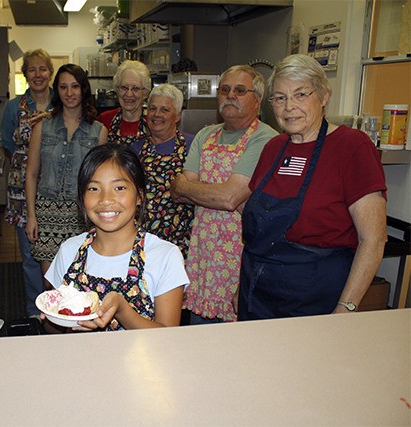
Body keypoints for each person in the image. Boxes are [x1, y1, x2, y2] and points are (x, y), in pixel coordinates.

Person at [235, 54, 387, 319]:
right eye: (280, 98)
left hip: (315, 297)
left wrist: (346, 307)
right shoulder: (273, 148)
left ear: (324, 96)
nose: (289, 107)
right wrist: (241, 288)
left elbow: (373, 239)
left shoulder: (352, 147)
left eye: (301, 95)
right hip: (257, 291)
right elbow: (257, 230)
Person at [170, 65, 278, 325]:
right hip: (204, 256)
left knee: (238, 343)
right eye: (225, 90)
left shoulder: (266, 139)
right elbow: (178, 194)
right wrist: (206, 191)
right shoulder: (205, 135)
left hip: (241, 256)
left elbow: (228, 198)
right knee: (199, 338)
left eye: (240, 90)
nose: (230, 95)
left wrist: (192, 188)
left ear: (257, 99)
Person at [45, 143, 187, 330]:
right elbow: (52, 331)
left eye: (119, 188)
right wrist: (53, 319)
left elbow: (168, 337)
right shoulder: (69, 250)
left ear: (139, 196)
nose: (105, 200)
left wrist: (122, 311)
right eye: (94, 189)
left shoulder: (165, 255)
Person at [25, 64, 108, 277]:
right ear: (57, 91)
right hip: (47, 213)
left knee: (80, 280)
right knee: (50, 283)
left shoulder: (98, 131)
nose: (69, 93)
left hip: (82, 214)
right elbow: (32, 174)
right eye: (63, 87)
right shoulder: (41, 128)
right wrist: (32, 216)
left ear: (84, 90)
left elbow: (99, 182)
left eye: (75, 86)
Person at [1, 49, 54, 317]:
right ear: (25, 75)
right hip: (23, 188)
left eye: (43, 69)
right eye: (32, 70)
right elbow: (8, 144)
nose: (38, 75)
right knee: (31, 252)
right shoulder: (14, 107)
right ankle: (35, 310)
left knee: (60, 250)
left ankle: (61, 307)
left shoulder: (63, 101)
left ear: (50, 72)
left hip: (58, 184)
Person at [129, 83, 194, 257]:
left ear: (178, 116)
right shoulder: (135, 149)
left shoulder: (192, 146)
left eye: (165, 110)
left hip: (181, 240)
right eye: (152, 108)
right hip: (141, 239)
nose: (157, 115)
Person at [97, 60, 150, 146]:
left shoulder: (153, 122)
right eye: (124, 87)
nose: (129, 94)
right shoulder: (104, 120)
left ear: (144, 93)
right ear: (117, 90)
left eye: (135, 88)